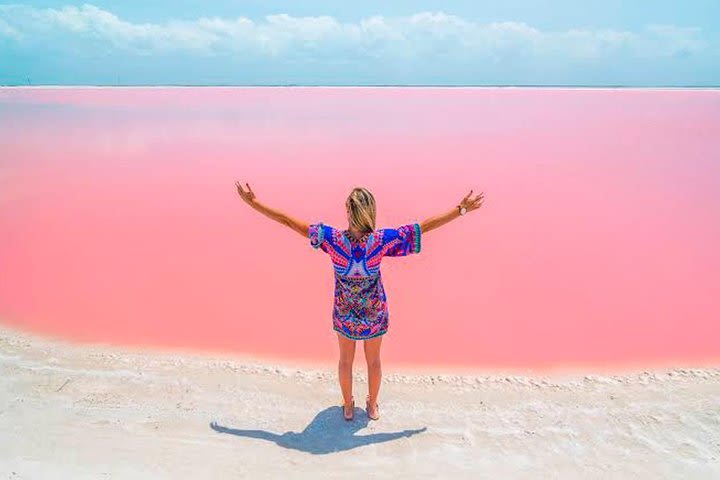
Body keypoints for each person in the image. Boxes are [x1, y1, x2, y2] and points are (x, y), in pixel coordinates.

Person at [234, 183, 484, 421]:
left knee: (345, 361)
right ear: (371, 211)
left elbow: (288, 221)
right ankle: (372, 405)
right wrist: (460, 210)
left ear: (347, 211)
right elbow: (421, 228)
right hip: (374, 312)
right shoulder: (380, 241)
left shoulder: (331, 239)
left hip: (345, 312)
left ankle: (348, 407)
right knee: (374, 361)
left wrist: (253, 203)